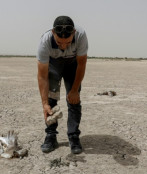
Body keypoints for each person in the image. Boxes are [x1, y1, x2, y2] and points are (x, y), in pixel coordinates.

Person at [36, 16, 88, 154]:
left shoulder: (81, 35)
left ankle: (74, 136)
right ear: (53, 33)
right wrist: (44, 103)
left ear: (74, 33)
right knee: (51, 99)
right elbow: (42, 75)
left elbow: (82, 64)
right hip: (54, 63)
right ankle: (51, 136)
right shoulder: (45, 41)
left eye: (68, 42)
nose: (64, 46)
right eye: (59, 43)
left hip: (73, 64)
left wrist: (75, 90)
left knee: (73, 100)